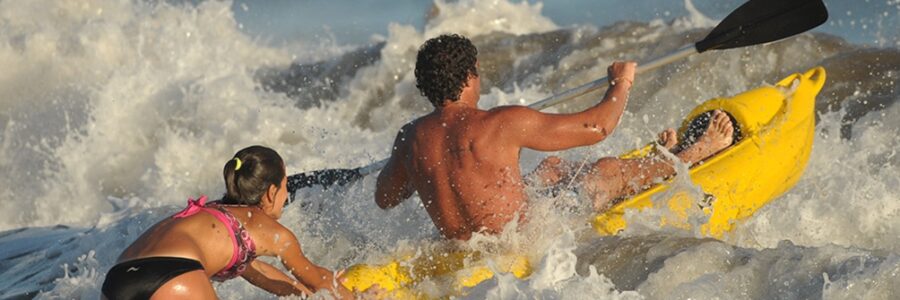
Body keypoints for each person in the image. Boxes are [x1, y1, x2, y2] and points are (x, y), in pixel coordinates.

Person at [375, 34, 733, 241]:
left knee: (551, 167)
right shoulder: (501, 122)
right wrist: (621, 83)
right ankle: (697, 151)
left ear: (426, 87)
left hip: (466, 249)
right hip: (518, 242)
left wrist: (421, 169)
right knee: (607, 171)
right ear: (471, 76)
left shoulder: (410, 138)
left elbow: (386, 198)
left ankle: (655, 158)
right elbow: (598, 128)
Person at [101, 146, 353, 299]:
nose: (286, 196)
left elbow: (261, 273)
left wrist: (307, 296)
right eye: (285, 186)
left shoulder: (216, 215)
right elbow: (317, 277)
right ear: (271, 193)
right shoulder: (269, 229)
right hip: (173, 273)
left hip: (118, 279)